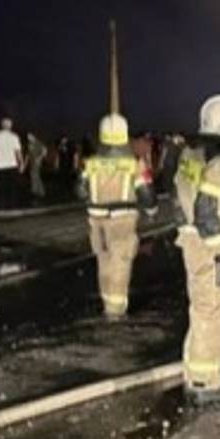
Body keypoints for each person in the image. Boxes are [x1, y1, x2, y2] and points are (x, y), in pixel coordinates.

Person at [174, 94, 220, 406]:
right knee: (214, 311)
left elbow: (184, 203)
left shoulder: (190, 154)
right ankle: (206, 384)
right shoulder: (217, 161)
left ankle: (197, 376)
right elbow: (209, 213)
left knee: (202, 308)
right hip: (210, 246)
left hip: (192, 241)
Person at [77, 112, 154, 319]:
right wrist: (151, 211)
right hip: (122, 220)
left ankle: (107, 302)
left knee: (104, 260)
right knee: (120, 263)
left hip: (97, 221)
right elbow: (147, 194)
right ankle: (116, 312)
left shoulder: (90, 163)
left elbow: (80, 191)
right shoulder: (134, 163)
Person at [0, 117, 25, 209]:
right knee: (12, 187)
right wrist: (22, 163)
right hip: (12, 164)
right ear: (10, 126)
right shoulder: (14, 137)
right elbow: (18, 152)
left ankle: (2, 205)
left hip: (0, 165)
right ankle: (12, 205)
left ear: (2, 125)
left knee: (1, 187)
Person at [27, 131, 48, 200]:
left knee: (35, 175)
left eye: (30, 136)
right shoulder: (30, 144)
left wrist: (39, 158)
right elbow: (29, 154)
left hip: (37, 162)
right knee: (34, 176)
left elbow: (45, 150)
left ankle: (36, 191)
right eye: (28, 136)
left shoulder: (38, 142)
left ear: (33, 136)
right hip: (32, 162)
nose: (28, 137)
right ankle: (39, 191)